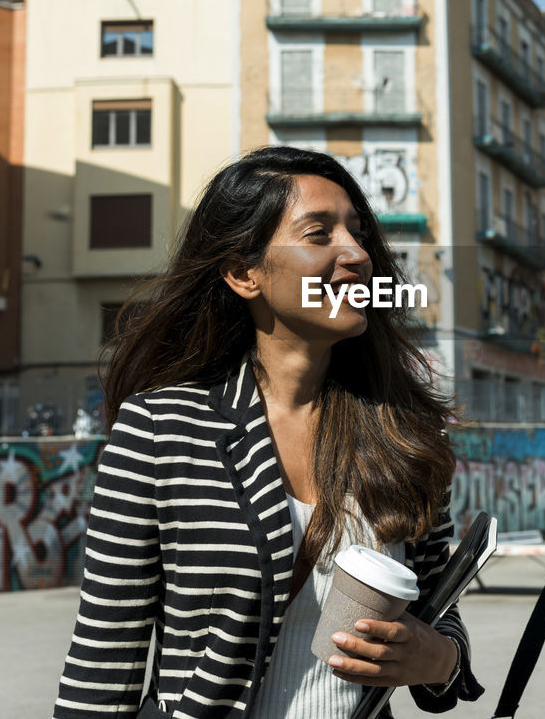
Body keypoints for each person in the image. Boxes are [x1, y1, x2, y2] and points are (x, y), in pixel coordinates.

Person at [53, 146, 481, 718]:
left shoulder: (404, 433)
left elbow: (441, 611)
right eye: (318, 233)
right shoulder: (159, 429)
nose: (355, 254)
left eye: (356, 233)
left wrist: (439, 660)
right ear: (243, 272)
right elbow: (102, 664)